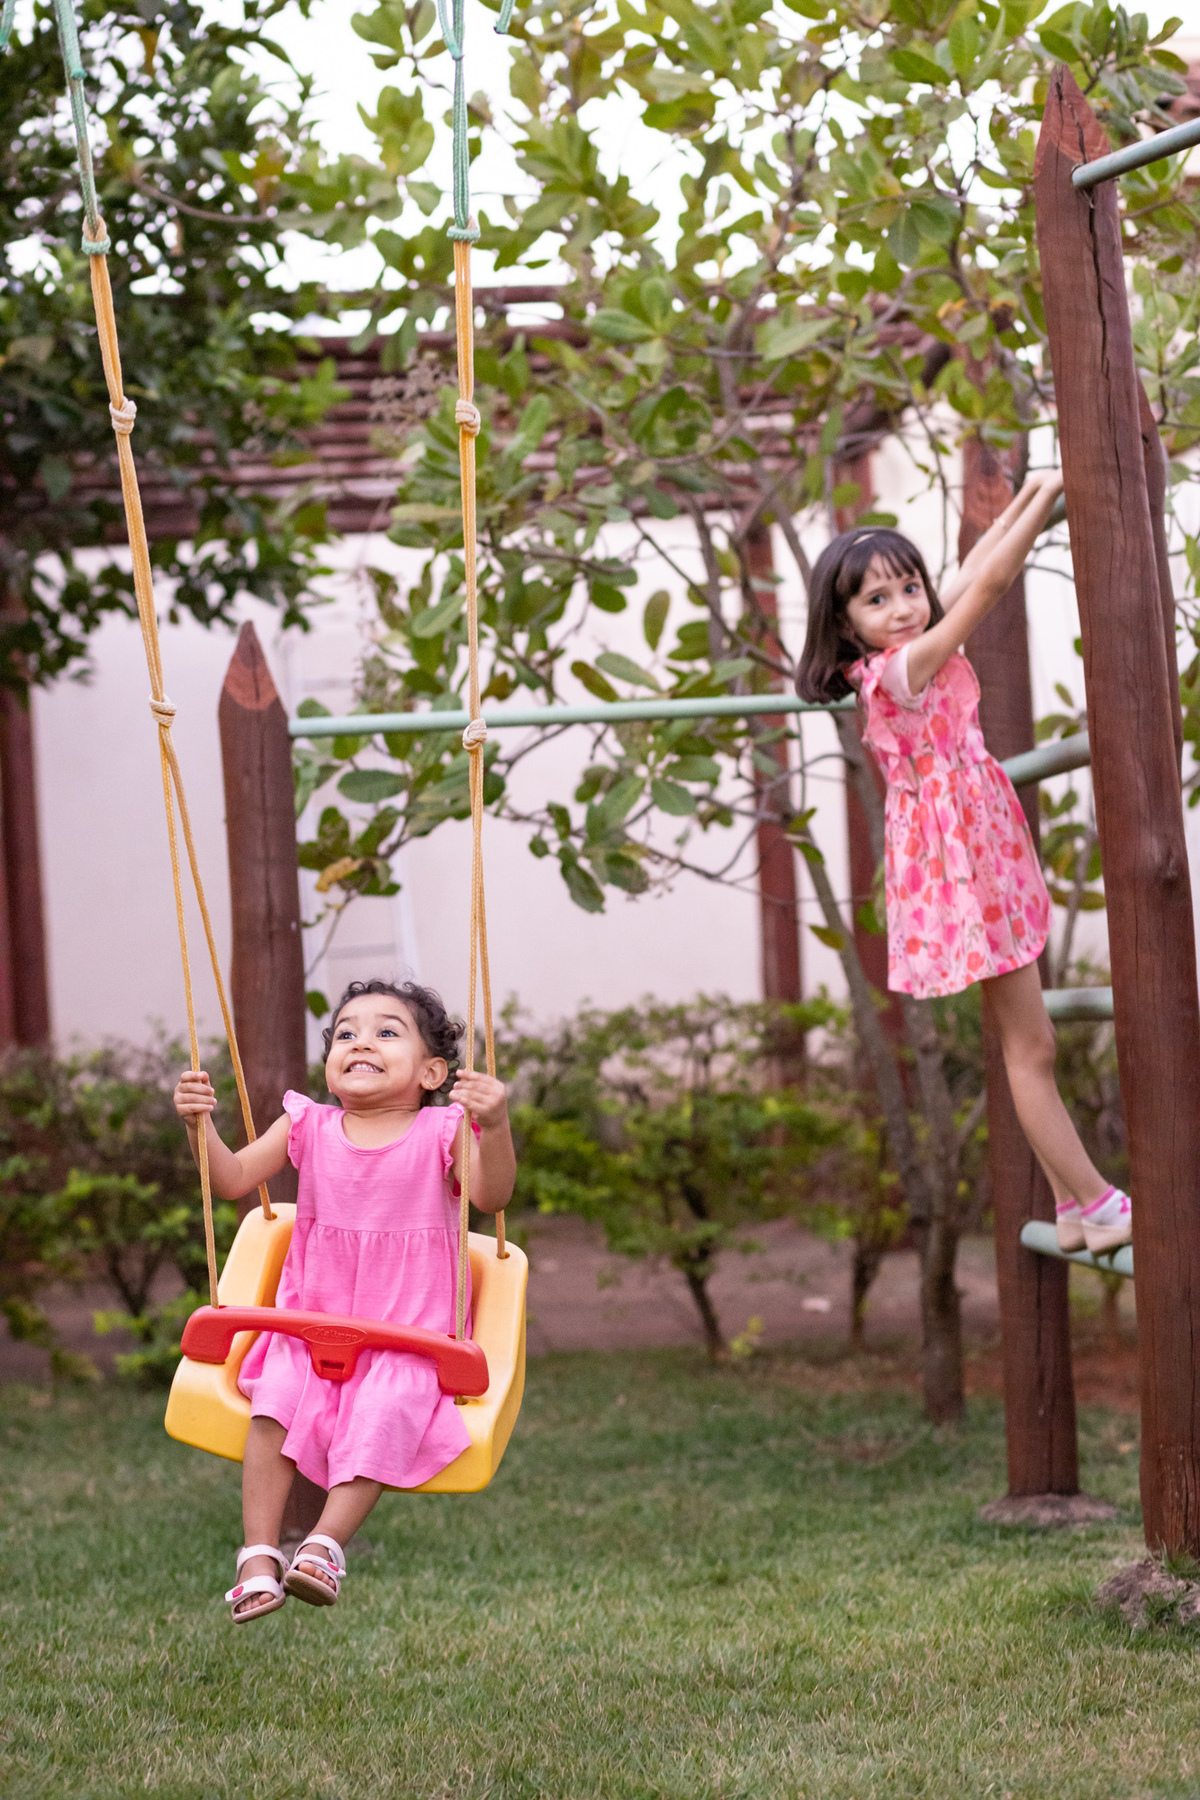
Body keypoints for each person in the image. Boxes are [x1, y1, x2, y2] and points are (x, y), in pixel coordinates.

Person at [797, 469, 1131, 1261]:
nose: (904, 607)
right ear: (845, 626)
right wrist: (1052, 494)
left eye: (908, 588)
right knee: (1031, 1048)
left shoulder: (903, 650)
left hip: (967, 856)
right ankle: (1098, 1199)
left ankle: (1073, 1206)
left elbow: (968, 570)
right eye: (877, 600)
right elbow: (988, 586)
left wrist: (1033, 493)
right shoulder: (900, 670)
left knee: (1030, 1043)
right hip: (964, 867)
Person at [174, 978, 515, 1624]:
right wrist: (200, 1126)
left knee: (387, 1406)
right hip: (311, 1326)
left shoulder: (443, 1131)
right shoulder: (309, 1124)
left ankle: (324, 1546)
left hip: (407, 1337)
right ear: (330, 1064)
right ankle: (257, 1555)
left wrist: (493, 1126)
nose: (361, 1042)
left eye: (387, 1032)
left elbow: (491, 1196)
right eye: (346, 1034)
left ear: (432, 1072)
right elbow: (232, 1179)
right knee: (275, 1398)